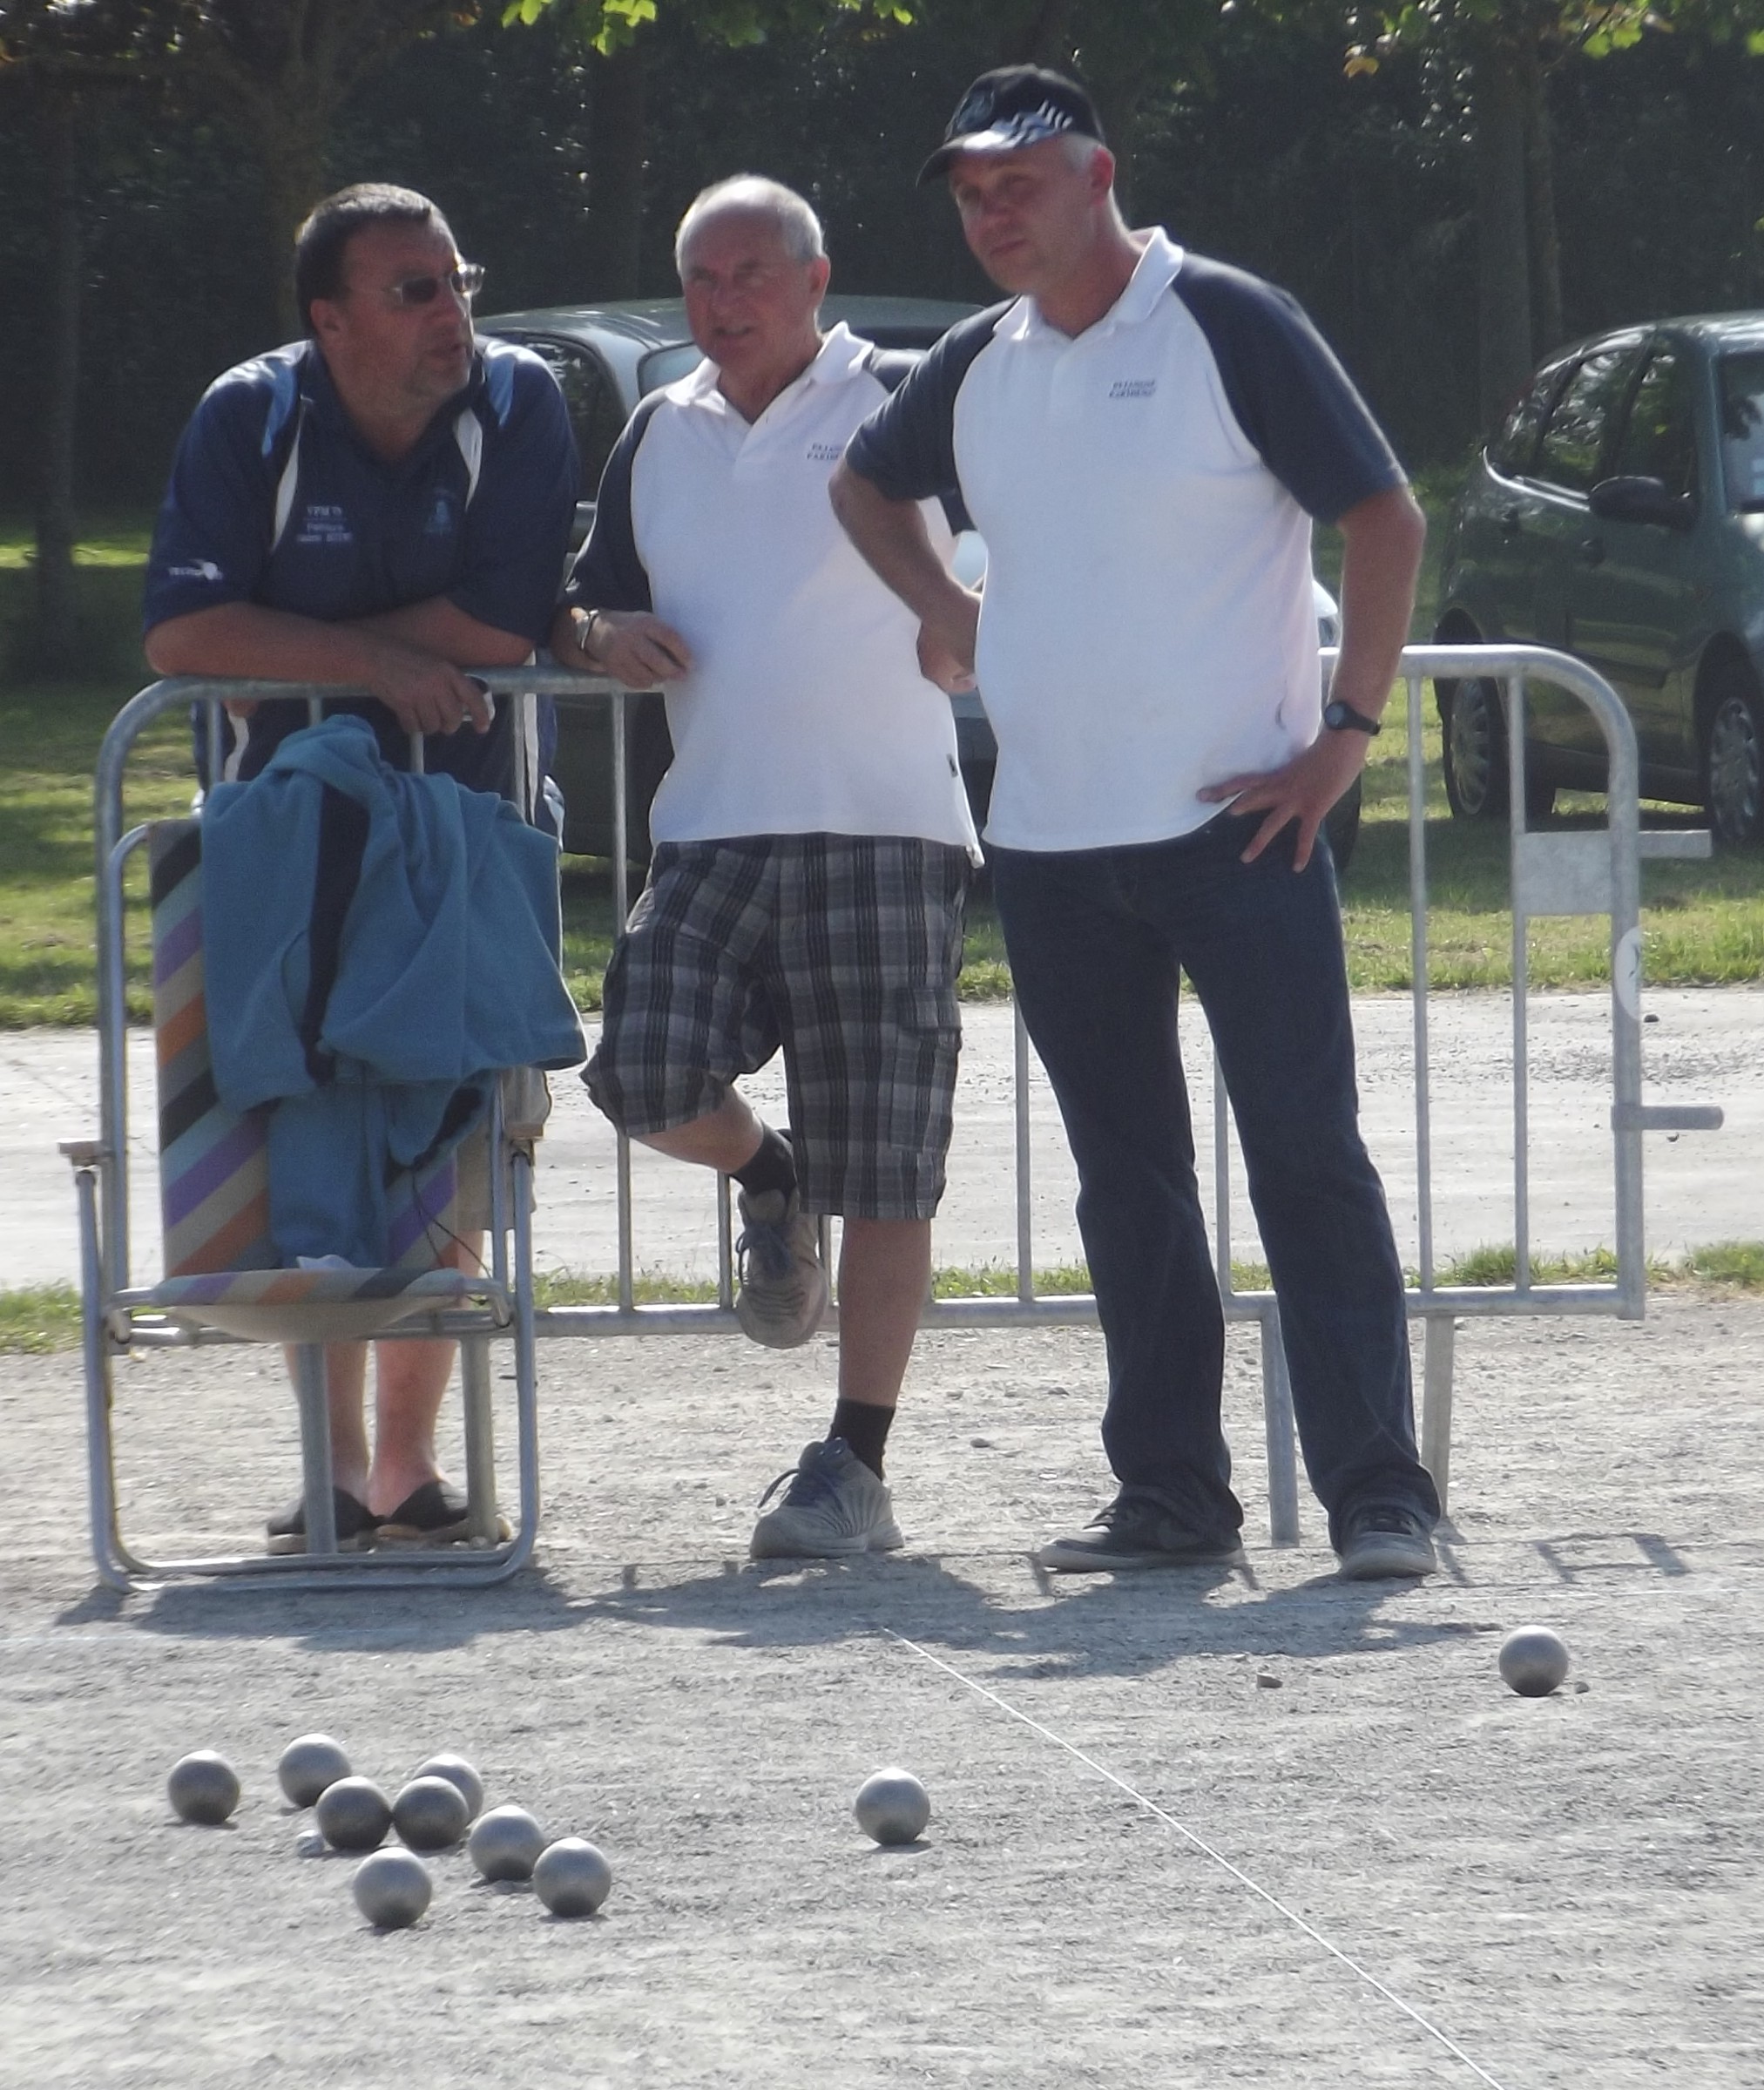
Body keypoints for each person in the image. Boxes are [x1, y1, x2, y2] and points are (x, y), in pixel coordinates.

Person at [830, 67, 1441, 1579]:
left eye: (1015, 183)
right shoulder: (975, 359)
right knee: (1129, 1182)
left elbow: (1386, 516)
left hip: (1245, 830)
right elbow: (861, 486)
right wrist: (943, 604)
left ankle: (1379, 1492)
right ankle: (1171, 1493)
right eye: (968, 192)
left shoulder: (1227, 317)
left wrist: (1346, 737)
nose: (988, 213)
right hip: (1045, 842)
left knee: (1305, 1156)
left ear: (1097, 172)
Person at [142, 182, 578, 1552]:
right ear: (327, 319)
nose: (451, 313)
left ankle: (410, 1469)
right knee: (301, 1107)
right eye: (413, 291)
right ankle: (329, 1473)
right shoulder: (248, 414)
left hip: (467, 816)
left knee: (444, 1115)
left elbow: (504, 627)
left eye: (458, 281)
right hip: (278, 837)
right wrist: (387, 663)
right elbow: (182, 633)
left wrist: (305, 647)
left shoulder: (522, 401)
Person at [551, 175, 979, 1559]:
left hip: (886, 827)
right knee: (640, 1072)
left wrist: (971, 629)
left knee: (891, 1173)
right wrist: (595, 635)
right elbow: (586, 597)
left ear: (815, 279)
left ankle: (852, 1462)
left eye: (747, 276)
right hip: (712, 826)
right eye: (699, 282)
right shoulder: (654, 433)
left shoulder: (903, 402)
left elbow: (1015, 566)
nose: (720, 304)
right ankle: (767, 1173)